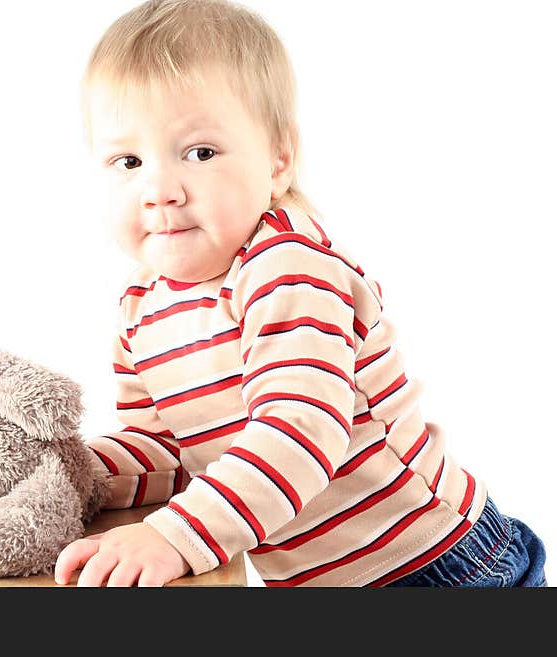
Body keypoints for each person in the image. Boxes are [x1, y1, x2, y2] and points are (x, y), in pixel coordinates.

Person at [53, 0, 547, 587]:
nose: (159, 190)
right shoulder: (141, 309)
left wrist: (172, 535)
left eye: (200, 153)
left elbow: (300, 430)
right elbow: (168, 454)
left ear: (278, 160)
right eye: (127, 160)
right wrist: (74, 475)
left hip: (430, 564)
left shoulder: (286, 267)